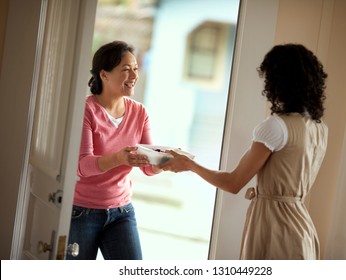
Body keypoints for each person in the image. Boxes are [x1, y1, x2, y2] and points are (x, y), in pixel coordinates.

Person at [159, 43, 328, 260]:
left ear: (278, 81)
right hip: (302, 228)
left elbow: (233, 183)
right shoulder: (319, 128)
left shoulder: (276, 126)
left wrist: (190, 165)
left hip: (275, 228)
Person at [67, 41, 161, 260]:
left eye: (135, 68)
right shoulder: (87, 110)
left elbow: (148, 166)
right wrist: (119, 158)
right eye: (126, 70)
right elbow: (83, 166)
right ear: (104, 75)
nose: (134, 75)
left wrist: (163, 162)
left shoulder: (139, 112)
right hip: (82, 211)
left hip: (122, 211)